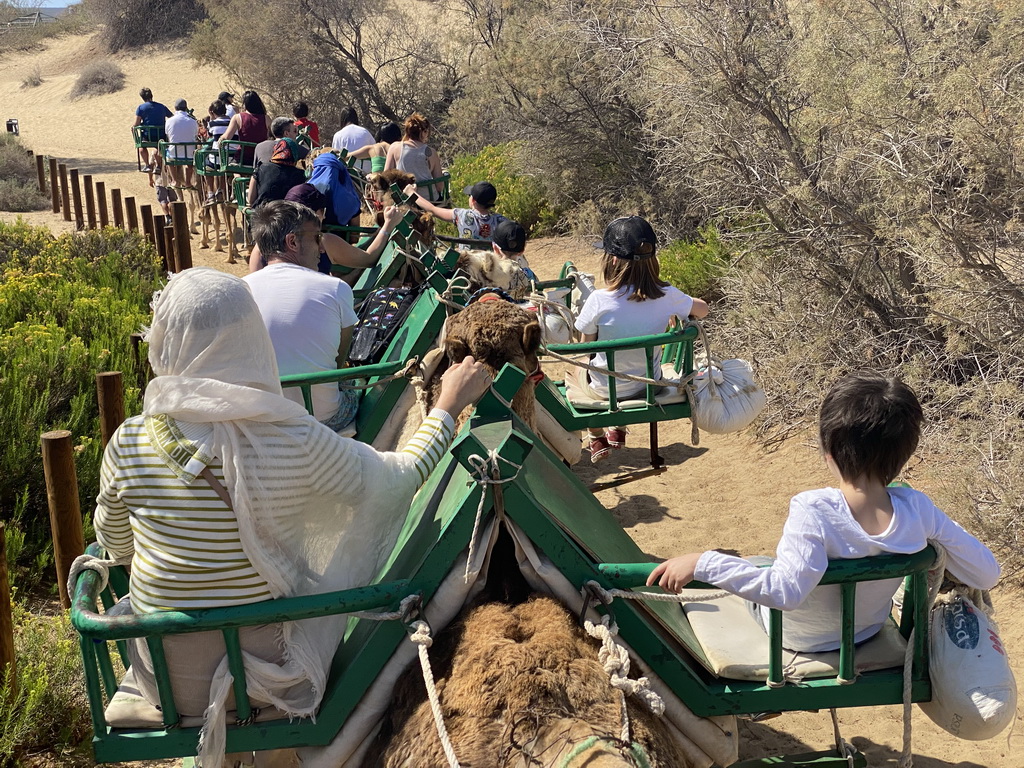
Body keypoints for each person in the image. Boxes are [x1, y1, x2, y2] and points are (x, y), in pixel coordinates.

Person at [93, 265, 490, 768]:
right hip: (266, 679)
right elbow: (400, 477)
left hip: (164, 681)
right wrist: (449, 406)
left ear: (166, 344)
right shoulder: (292, 440)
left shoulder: (128, 440)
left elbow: (116, 544)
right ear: (253, 339)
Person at [648, 371, 1001, 653]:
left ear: (829, 450)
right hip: (862, 634)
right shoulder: (919, 510)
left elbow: (784, 592)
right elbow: (986, 574)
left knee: (757, 567)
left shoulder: (814, 509)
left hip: (795, 640)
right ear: (905, 452)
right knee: (761, 564)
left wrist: (702, 562)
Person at [573, 216, 710, 462]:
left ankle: (596, 435)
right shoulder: (667, 295)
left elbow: (586, 346)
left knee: (576, 371)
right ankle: (618, 428)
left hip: (606, 391)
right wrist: (675, 310)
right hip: (648, 386)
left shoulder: (598, 300)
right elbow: (703, 310)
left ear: (613, 259)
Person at [247, 184, 404, 284]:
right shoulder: (324, 241)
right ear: (316, 214)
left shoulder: (261, 246)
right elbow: (368, 259)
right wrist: (388, 225)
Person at [404, 180, 506, 248]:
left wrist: (411, 192)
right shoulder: (501, 221)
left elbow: (432, 209)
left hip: (468, 264)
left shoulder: (462, 215)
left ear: (473, 200)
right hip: (490, 266)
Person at [385, 113, 444, 198]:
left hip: (405, 199)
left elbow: (387, 176)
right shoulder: (431, 152)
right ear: (424, 132)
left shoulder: (394, 147)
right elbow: (439, 186)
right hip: (430, 199)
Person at [247, 138, 308, 209]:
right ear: (294, 154)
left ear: (276, 149)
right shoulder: (300, 175)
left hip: (262, 215)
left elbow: (251, 199)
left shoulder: (262, 168)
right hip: (287, 217)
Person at [308, 150, 362, 229]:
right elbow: (354, 237)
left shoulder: (306, 192)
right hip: (339, 240)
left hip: (310, 239)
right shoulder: (351, 198)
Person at [220, 90, 272, 167]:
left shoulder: (238, 117)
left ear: (245, 104)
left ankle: (237, 177)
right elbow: (272, 136)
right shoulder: (266, 118)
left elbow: (227, 137)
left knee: (232, 167)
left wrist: (219, 141)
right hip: (260, 158)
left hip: (242, 158)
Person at [133, 87, 172, 172]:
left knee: (142, 147)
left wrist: (133, 128)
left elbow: (136, 123)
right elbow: (171, 116)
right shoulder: (161, 106)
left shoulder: (141, 108)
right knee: (158, 146)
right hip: (161, 134)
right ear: (152, 95)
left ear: (142, 98)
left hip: (148, 135)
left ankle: (147, 165)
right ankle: (158, 165)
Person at [163, 98, 199, 189]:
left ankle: (174, 180)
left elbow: (168, 136)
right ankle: (187, 182)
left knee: (168, 159)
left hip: (174, 152)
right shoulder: (193, 121)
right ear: (186, 108)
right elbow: (195, 135)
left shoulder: (169, 121)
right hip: (189, 153)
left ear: (175, 108)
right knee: (190, 163)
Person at [331, 106, 375, 174]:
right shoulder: (365, 132)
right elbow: (374, 151)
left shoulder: (338, 135)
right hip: (366, 173)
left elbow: (336, 157)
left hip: (346, 174)